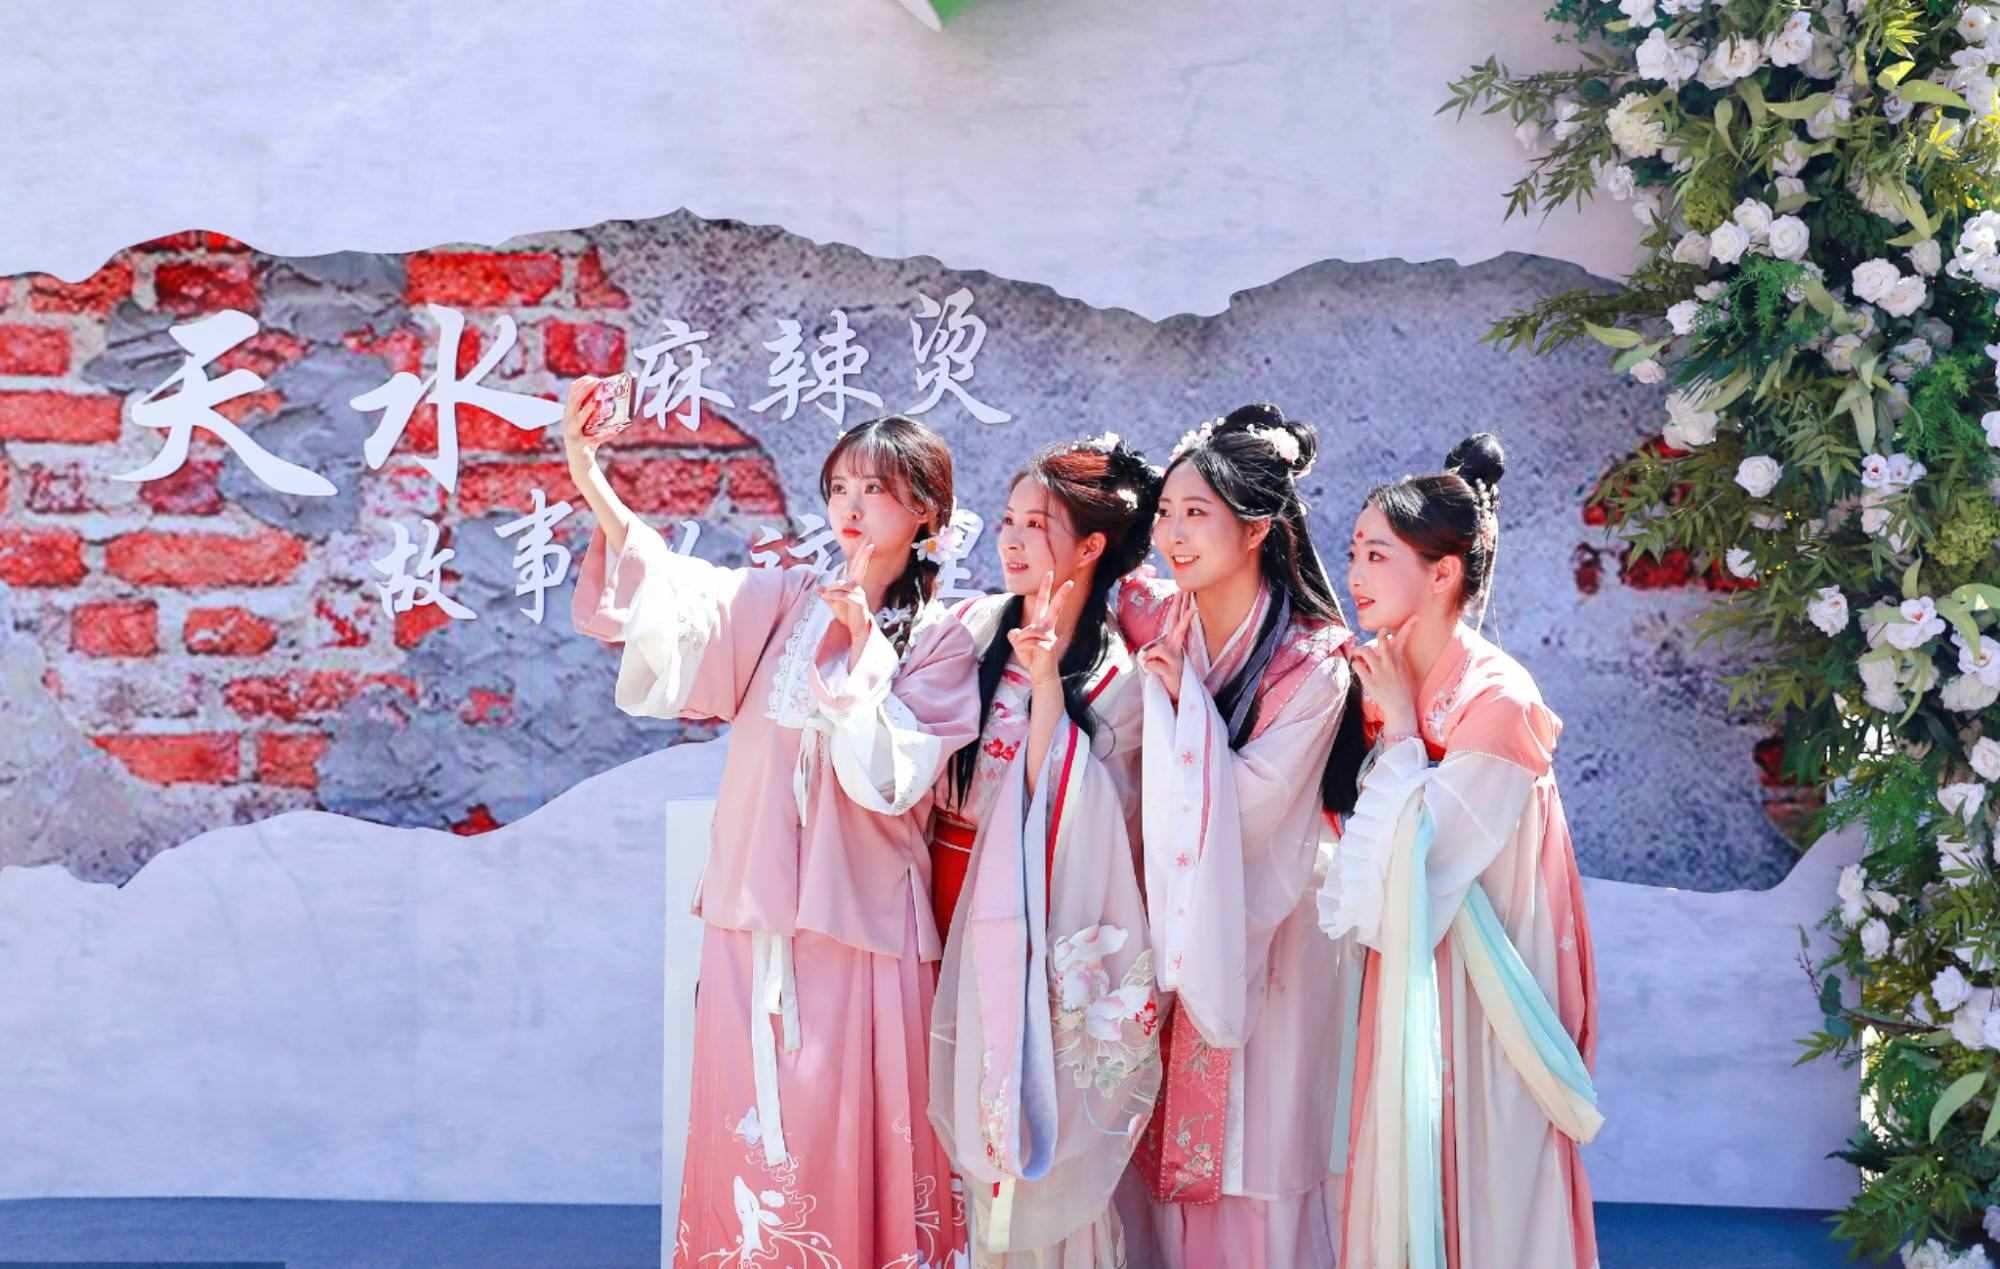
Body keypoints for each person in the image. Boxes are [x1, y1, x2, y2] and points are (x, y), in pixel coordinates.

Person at [563, 379, 980, 1268]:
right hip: (755, 917)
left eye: (876, 489)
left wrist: (865, 649)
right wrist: (588, 472)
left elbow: (895, 779)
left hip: (864, 931)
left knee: (852, 1138)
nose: (851, 506)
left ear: (926, 513)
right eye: (841, 487)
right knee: (750, 1139)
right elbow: (672, 592)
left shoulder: (945, 637)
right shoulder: (787, 598)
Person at [1319, 432, 1601, 1269]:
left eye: (1377, 554)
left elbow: (1425, 867)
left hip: (1487, 995)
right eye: (1354, 552)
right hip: (1408, 980)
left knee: (1489, 1182)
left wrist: (1405, 732)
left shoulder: (1497, 699)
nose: (1356, 573)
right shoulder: (1381, 672)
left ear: (1442, 572)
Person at [1113, 403, 1369, 1269]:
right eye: (1166, 513)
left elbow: (1256, 808)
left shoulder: (1315, 660)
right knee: (1144, 1150)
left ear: (1257, 528)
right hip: (1159, 918)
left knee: (1255, 1151)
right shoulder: (1153, 617)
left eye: (1198, 514)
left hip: (1268, 925)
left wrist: (1179, 708)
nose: (1173, 535)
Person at [928, 433, 1167, 1267]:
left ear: (1092, 546)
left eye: (1038, 524)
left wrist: (1043, 698)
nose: (1013, 539)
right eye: (1008, 520)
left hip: (1046, 920)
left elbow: (1098, 822)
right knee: (948, 1111)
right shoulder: (970, 629)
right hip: (940, 901)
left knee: (1035, 1119)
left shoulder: (1118, 681)